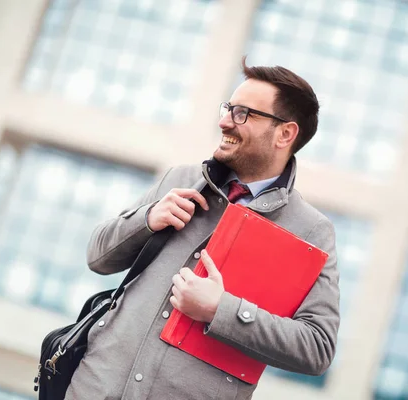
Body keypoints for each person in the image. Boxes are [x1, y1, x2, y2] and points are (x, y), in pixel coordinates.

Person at [65, 57, 340, 400]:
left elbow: (318, 348)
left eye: (243, 114)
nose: (225, 121)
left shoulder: (312, 231)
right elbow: (97, 257)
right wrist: (147, 219)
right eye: (228, 108)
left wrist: (221, 311)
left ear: (285, 133)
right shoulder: (179, 179)